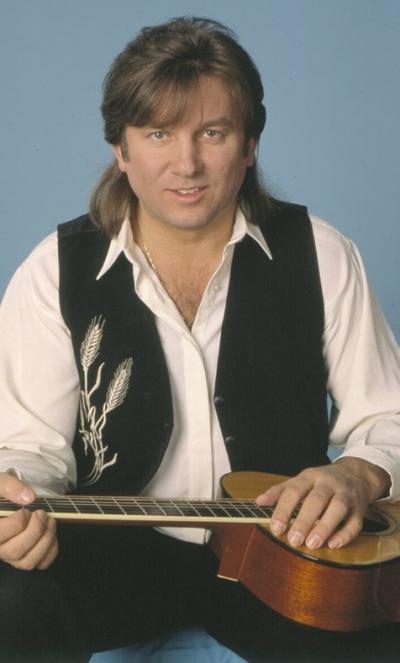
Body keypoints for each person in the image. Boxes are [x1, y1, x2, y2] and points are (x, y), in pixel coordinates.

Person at [0, 16, 399, 663]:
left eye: (212, 132)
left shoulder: (323, 254)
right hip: (106, 559)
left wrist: (357, 472)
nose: (186, 163)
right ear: (121, 149)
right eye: (158, 133)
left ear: (249, 144)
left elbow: (390, 415)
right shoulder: (53, 270)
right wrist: (20, 504)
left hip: (285, 559)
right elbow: (29, 449)